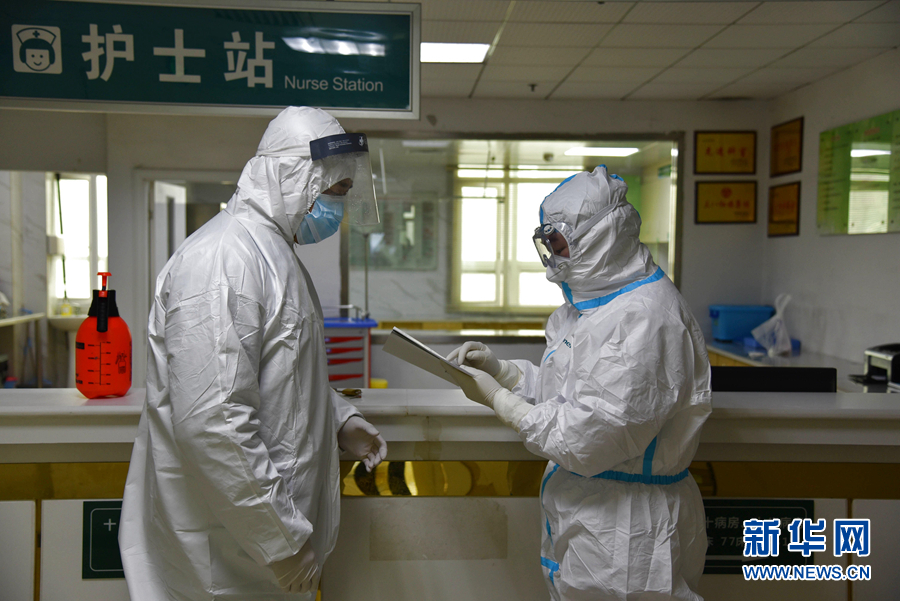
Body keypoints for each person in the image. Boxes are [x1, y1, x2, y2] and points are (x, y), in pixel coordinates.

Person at [120, 106, 387, 600]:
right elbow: (214, 421)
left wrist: (338, 419)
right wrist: (279, 541)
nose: (338, 209)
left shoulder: (272, 253)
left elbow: (281, 377)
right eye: (336, 191)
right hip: (225, 554)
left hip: (255, 547)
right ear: (294, 177)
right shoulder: (223, 260)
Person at [446, 165, 711, 600]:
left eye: (559, 243)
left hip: (629, 534)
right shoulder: (593, 306)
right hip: (591, 519)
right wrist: (503, 372)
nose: (553, 256)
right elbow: (570, 393)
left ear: (600, 237)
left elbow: (588, 436)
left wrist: (500, 401)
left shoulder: (645, 318)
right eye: (548, 244)